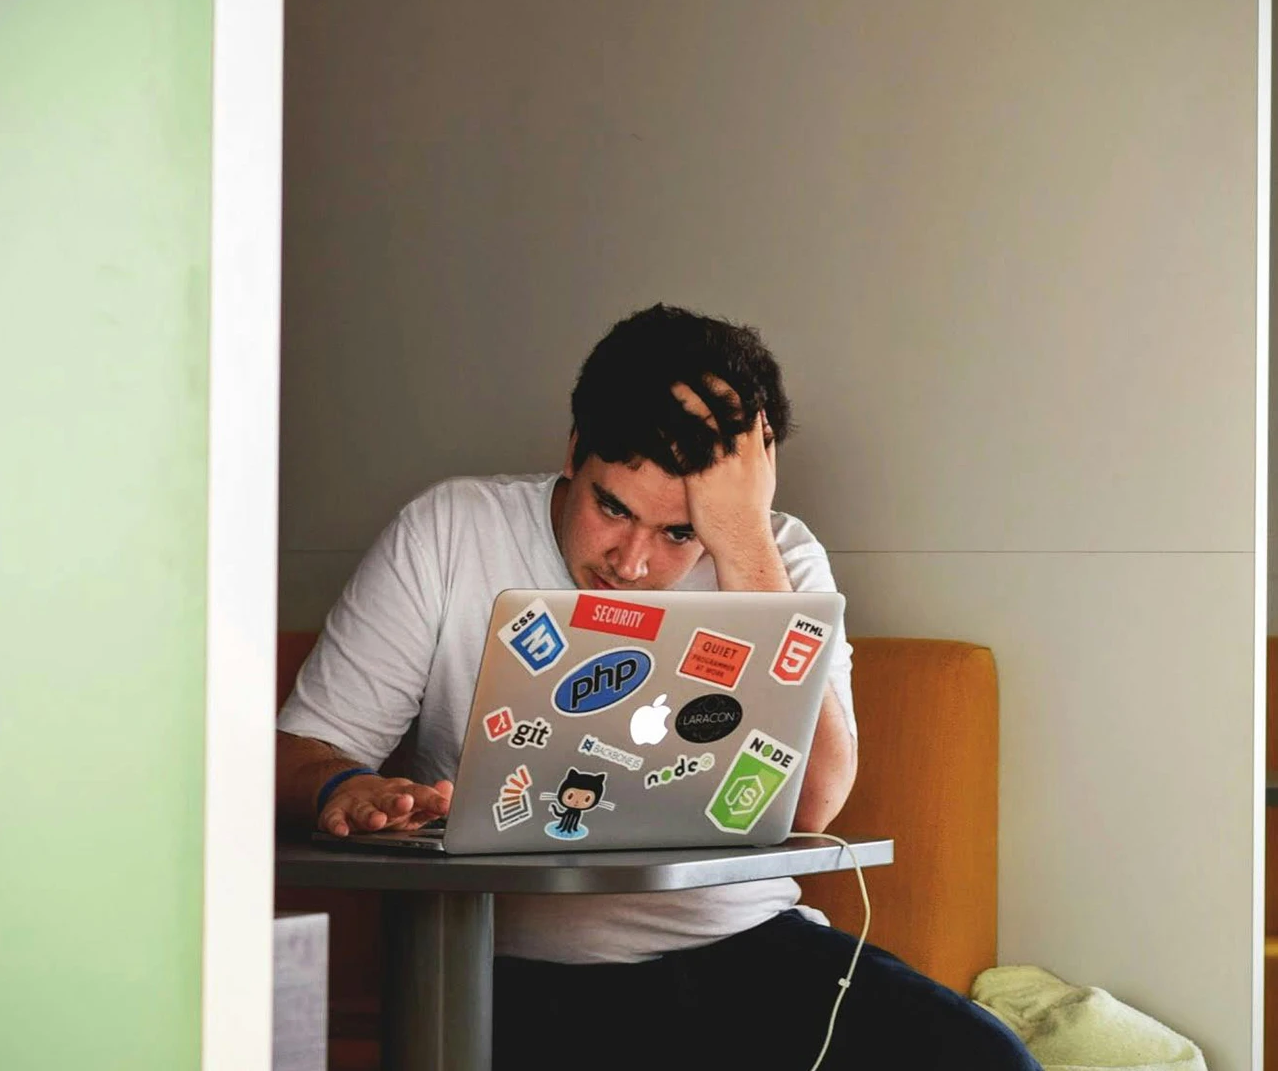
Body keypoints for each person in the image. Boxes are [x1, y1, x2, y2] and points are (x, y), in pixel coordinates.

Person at [274, 304, 1039, 1068]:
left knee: (994, 1064)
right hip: (510, 973)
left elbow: (814, 803)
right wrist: (342, 784)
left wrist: (742, 541)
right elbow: (298, 752)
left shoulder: (779, 559)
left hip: (744, 946)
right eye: (612, 507)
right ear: (575, 450)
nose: (631, 563)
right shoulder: (450, 531)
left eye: (680, 533)